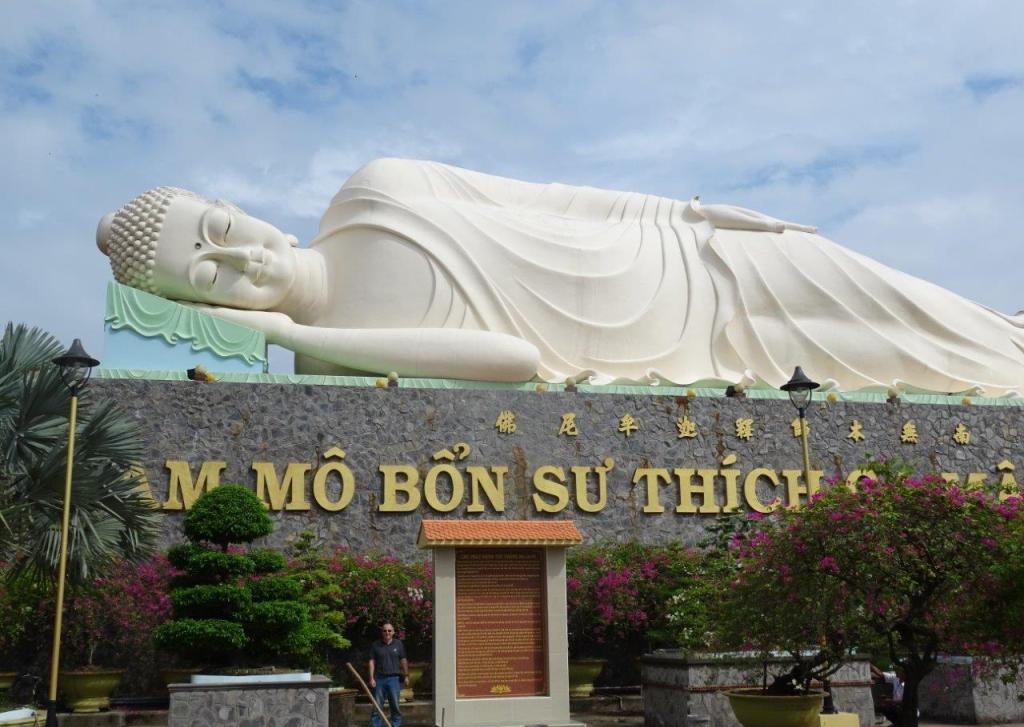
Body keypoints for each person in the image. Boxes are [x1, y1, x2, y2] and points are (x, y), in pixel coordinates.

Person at [96, 158, 1024, 394]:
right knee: (905, 368)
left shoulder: (374, 188)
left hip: (685, 261)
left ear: (233, 203)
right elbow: (511, 362)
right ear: (198, 307)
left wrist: (686, 212)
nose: (244, 257)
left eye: (221, 230)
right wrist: (288, 333)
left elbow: (555, 200)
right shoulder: (332, 351)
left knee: (930, 317)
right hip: (675, 353)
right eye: (211, 277)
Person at [367, 621, 409, 727]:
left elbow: (403, 660)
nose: (387, 633)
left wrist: (406, 675)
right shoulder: (376, 645)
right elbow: (371, 662)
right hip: (379, 679)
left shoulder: (398, 644)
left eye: (389, 630)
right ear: (382, 632)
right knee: (377, 707)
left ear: (393, 632)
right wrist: (371, 678)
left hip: (394, 679)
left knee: (395, 706)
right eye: (385, 631)